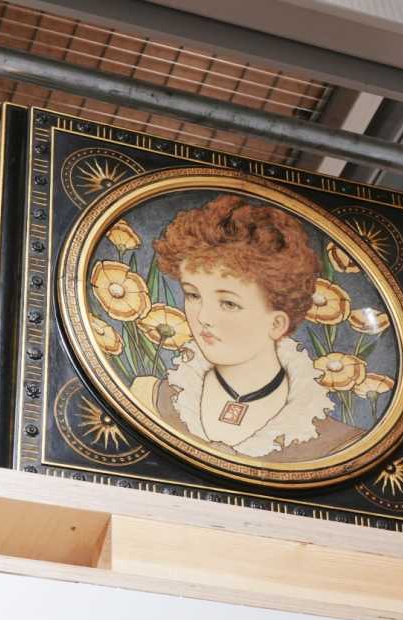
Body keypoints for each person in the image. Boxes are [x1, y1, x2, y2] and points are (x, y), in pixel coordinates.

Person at [128, 193, 361, 460]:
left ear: (276, 323)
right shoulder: (151, 399)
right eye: (193, 295)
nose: (203, 317)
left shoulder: (332, 444)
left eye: (228, 303)